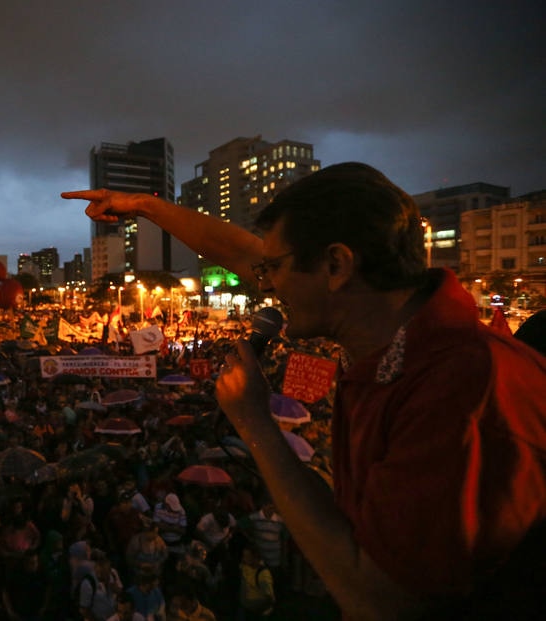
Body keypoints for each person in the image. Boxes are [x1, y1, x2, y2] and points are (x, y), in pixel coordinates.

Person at [64, 162, 546, 618]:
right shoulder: (395, 350)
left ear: (337, 265)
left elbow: (382, 601)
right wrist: (147, 208)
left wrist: (255, 425)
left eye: (275, 268)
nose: (266, 284)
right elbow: (242, 254)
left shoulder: (460, 387)